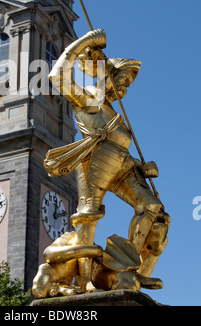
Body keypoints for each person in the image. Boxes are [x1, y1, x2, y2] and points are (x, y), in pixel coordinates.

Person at [44, 29, 170, 292]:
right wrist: (87, 42)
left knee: (151, 206)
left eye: (127, 84)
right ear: (106, 76)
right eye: (122, 80)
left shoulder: (113, 111)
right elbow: (57, 76)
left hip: (122, 165)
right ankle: (83, 281)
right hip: (95, 162)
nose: (124, 87)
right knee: (88, 216)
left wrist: (141, 167)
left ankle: (128, 265)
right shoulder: (90, 99)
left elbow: (118, 145)